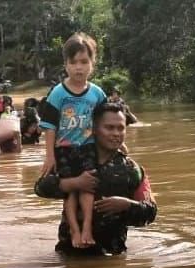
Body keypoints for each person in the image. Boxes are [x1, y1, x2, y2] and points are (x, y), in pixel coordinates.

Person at [35, 102, 157, 256]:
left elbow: (151, 212)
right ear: (94, 130)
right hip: (70, 255)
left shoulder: (133, 170)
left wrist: (127, 205)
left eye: (121, 128)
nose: (116, 133)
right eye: (109, 128)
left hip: (113, 255)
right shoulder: (73, 158)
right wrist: (73, 183)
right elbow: (40, 187)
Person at [39, 32, 107, 249]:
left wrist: (118, 144)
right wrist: (49, 156)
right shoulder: (58, 93)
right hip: (64, 149)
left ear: (92, 64)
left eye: (84, 62)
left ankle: (87, 227)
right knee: (70, 192)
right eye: (74, 62)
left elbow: (104, 121)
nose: (79, 67)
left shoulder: (96, 93)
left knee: (87, 188)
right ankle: (75, 232)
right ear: (66, 65)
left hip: (87, 147)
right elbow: (49, 127)